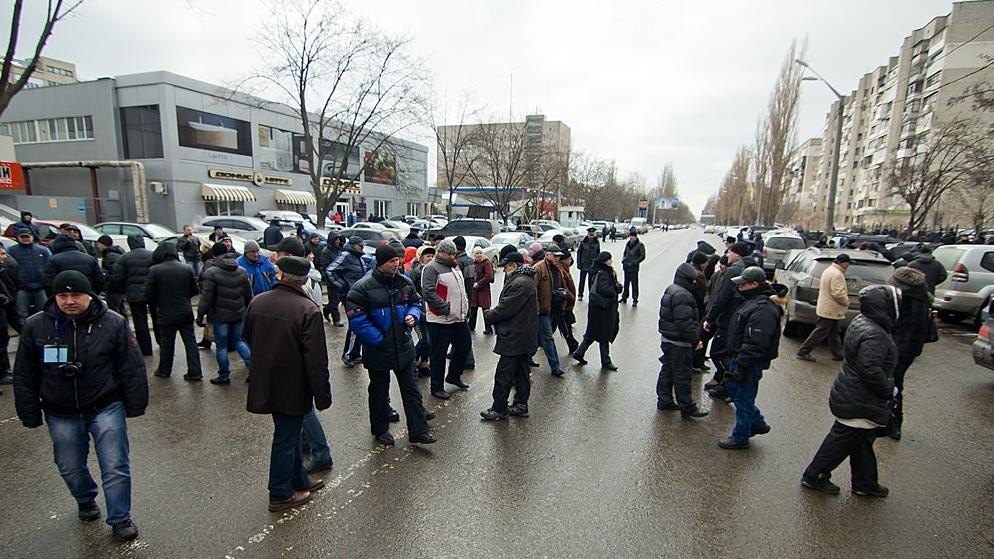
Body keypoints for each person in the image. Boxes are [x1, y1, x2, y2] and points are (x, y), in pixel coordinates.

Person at [13, 270, 147, 541]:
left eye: (76, 295)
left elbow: (131, 366)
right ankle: (85, 498)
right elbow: (25, 373)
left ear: (89, 295)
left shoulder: (113, 323)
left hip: (105, 405)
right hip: (59, 410)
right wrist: (29, 411)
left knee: (115, 465)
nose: (69, 301)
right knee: (69, 465)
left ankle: (120, 517)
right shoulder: (37, 326)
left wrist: (135, 403)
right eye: (62, 296)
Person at [244, 256, 333, 512]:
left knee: (289, 433)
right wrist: (322, 395)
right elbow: (316, 359)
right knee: (285, 437)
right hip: (293, 383)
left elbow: (247, 336)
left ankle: (298, 479)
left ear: (280, 275)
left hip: (267, 379)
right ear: (304, 280)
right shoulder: (307, 309)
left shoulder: (258, 301)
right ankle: (281, 492)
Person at [800, 285, 899, 497]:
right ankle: (814, 475)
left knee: (861, 440)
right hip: (860, 399)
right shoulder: (875, 334)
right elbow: (870, 370)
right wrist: (889, 389)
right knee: (843, 438)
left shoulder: (863, 322)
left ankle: (865, 482)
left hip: (854, 393)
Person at [346, 245, 437, 446]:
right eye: (391, 261)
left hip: (403, 346)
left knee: (412, 391)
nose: (396, 264)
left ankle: (418, 431)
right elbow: (358, 320)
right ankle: (380, 430)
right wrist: (379, 340)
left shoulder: (404, 282)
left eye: (397, 260)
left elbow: (416, 303)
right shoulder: (362, 288)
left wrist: (413, 315)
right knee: (379, 392)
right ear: (380, 263)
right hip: (378, 350)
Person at [272, 238, 334, 474]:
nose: (275, 259)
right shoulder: (308, 277)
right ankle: (308, 444)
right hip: (300, 351)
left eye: (280, 255)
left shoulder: (302, 284)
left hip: (298, 355)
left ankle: (321, 453)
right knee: (300, 409)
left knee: (304, 409)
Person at [717, 266, 787, 450]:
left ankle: (740, 437)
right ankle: (757, 423)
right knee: (735, 391)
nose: (740, 287)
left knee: (743, 397)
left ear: (755, 284)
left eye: (744, 284)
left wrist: (741, 364)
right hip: (742, 357)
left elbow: (757, 342)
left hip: (748, 361)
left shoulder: (763, 310)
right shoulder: (752, 302)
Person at [480, 250, 538, 420]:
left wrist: (488, 315)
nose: (504, 270)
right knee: (521, 372)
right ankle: (520, 405)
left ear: (513, 265)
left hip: (515, 336)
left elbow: (506, 307)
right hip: (522, 335)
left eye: (506, 267)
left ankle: (499, 408)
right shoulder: (524, 280)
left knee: (504, 373)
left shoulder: (520, 283)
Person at [703, 242, 756, 402]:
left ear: (737, 254)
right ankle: (723, 381)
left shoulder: (734, 271)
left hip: (729, 319)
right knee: (730, 352)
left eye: (729, 252)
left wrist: (710, 318)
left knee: (717, 352)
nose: (727, 255)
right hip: (741, 317)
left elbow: (722, 298)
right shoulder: (751, 266)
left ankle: (731, 384)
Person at [656, 262, 709, 419]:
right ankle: (687, 407)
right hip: (679, 343)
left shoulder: (672, 289)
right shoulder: (683, 295)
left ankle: (664, 400)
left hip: (668, 339)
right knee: (682, 375)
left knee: (668, 371)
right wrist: (695, 341)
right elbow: (684, 323)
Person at [887, 267, 934, 440]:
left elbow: (897, 325)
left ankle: (893, 422)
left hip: (898, 347)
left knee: (892, 384)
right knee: (894, 382)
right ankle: (891, 421)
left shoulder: (904, 300)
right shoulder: (923, 297)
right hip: (911, 348)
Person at [421, 239, 471, 399]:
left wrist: (465, 306)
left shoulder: (455, 266)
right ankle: (436, 387)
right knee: (439, 354)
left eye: (453, 253)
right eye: (448, 253)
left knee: (464, 347)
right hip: (440, 320)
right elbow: (428, 292)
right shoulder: (431, 268)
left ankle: (454, 375)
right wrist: (445, 308)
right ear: (440, 252)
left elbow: (460, 289)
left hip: (458, 317)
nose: (451, 256)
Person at [196, 244, 253, 385]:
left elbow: (206, 297)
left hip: (220, 315)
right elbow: (248, 293)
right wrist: (248, 309)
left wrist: (200, 315)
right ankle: (254, 369)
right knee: (239, 341)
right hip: (239, 313)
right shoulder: (241, 270)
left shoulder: (211, 272)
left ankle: (224, 375)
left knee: (221, 346)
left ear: (214, 255)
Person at [145, 244, 202, 380]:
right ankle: (195, 371)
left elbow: (149, 294)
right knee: (190, 343)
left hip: (165, 312)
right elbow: (195, 290)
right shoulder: (186, 268)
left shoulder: (154, 270)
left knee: (167, 343)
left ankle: (164, 370)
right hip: (185, 311)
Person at [570, 251, 621, 370]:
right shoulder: (603, 273)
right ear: (604, 261)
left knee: (592, 334)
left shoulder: (597, 270)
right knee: (604, 335)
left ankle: (579, 353)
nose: (611, 261)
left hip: (597, 309)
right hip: (603, 310)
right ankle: (606, 361)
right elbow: (605, 290)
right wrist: (616, 288)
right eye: (609, 259)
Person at [796, 254, 850, 362]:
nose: (848, 266)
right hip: (831, 308)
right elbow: (837, 293)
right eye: (848, 264)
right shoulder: (837, 274)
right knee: (821, 332)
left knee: (833, 332)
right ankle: (803, 351)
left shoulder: (829, 270)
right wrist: (846, 302)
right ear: (843, 263)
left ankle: (838, 354)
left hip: (828, 307)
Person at [326, 236, 368, 367]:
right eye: (360, 245)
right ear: (353, 245)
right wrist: (343, 285)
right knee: (355, 325)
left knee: (360, 324)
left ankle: (355, 353)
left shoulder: (359, 258)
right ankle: (347, 354)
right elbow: (330, 270)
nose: (362, 247)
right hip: (350, 297)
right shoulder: (346, 256)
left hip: (360, 296)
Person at [110, 236, 156, 356]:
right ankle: (162, 343)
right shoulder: (152, 255)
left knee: (140, 321)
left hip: (134, 294)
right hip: (152, 292)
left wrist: (121, 291)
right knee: (156, 318)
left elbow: (118, 277)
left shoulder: (124, 258)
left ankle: (146, 349)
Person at [533, 244, 567, 377]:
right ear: (547, 255)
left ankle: (526, 358)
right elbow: (533, 289)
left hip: (554, 307)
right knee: (548, 338)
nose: (557, 258)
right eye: (554, 255)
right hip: (543, 310)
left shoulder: (557, 268)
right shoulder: (539, 268)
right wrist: (536, 308)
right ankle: (555, 367)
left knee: (539, 337)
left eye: (558, 256)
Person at [8, 224, 51, 323]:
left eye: (27, 236)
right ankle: (24, 330)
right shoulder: (11, 251)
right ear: (18, 237)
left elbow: (49, 266)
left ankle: (43, 329)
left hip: (40, 287)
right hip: (22, 288)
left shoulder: (43, 250)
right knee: (21, 313)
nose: (25, 239)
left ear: (32, 236)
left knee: (43, 312)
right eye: (22, 237)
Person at [410, 245, 435, 377]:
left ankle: (424, 363)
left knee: (430, 341)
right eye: (427, 256)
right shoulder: (415, 272)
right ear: (421, 258)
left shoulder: (435, 271)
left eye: (432, 256)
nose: (430, 258)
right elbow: (411, 292)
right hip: (419, 312)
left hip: (432, 311)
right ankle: (411, 362)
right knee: (424, 340)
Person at [0, 245, 22, 387]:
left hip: (6, 310)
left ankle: (4, 370)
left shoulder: (3, 270)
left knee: (3, 341)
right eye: (1, 254)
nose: (4, 257)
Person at [95, 235, 127, 316]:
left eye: (98, 244)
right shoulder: (114, 254)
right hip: (119, 289)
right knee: (121, 310)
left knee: (115, 312)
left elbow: (114, 273)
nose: (97, 246)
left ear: (103, 244)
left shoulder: (110, 256)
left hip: (114, 289)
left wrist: (108, 284)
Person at [556, 250, 580, 354]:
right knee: (565, 327)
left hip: (566, 304)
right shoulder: (561, 271)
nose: (570, 261)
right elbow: (563, 287)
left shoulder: (565, 268)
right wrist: (571, 297)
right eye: (569, 259)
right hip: (563, 304)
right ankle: (573, 345)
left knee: (561, 326)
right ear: (564, 260)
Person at [468, 247, 494, 334]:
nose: (479, 255)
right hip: (474, 290)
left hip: (483, 289)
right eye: (477, 253)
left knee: (485, 310)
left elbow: (489, 275)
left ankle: (489, 329)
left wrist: (479, 283)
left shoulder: (486, 262)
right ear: (474, 254)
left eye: (480, 253)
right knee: (473, 309)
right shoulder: (473, 262)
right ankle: (471, 327)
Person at [620, 227, 645, 306]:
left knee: (634, 284)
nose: (631, 238)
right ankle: (624, 297)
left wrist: (635, 262)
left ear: (635, 237)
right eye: (630, 236)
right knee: (626, 283)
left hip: (634, 268)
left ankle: (635, 299)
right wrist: (623, 260)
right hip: (626, 267)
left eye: (632, 236)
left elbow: (642, 256)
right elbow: (625, 253)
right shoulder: (628, 244)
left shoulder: (640, 245)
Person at [576, 227, 600, 300]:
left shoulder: (597, 243)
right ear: (588, 234)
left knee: (591, 281)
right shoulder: (583, 242)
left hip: (592, 265)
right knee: (582, 281)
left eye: (592, 235)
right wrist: (579, 263)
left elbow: (598, 254)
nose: (591, 236)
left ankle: (591, 295)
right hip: (584, 264)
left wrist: (597, 265)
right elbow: (579, 253)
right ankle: (580, 295)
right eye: (590, 235)